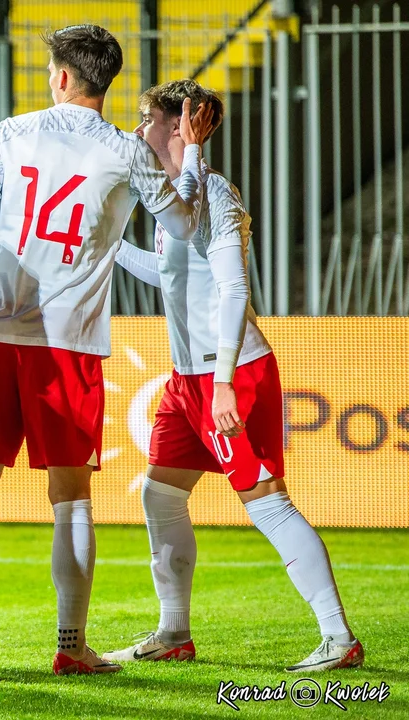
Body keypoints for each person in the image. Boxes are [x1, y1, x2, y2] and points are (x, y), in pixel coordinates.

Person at [0, 24, 214, 675]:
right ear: (104, 81)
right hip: (70, 344)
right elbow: (183, 226)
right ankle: (70, 645)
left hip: (1, 328)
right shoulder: (126, 149)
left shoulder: (13, 130)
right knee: (72, 496)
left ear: (61, 76)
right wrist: (192, 157)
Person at [103, 79, 365, 673]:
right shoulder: (175, 198)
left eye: (148, 118)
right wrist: (110, 247)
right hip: (185, 380)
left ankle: (337, 636)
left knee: (266, 501)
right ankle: (174, 632)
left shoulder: (214, 195)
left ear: (179, 126)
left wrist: (222, 382)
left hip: (232, 372)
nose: (139, 129)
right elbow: (170, 274)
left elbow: (232, 289)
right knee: (159, 493)